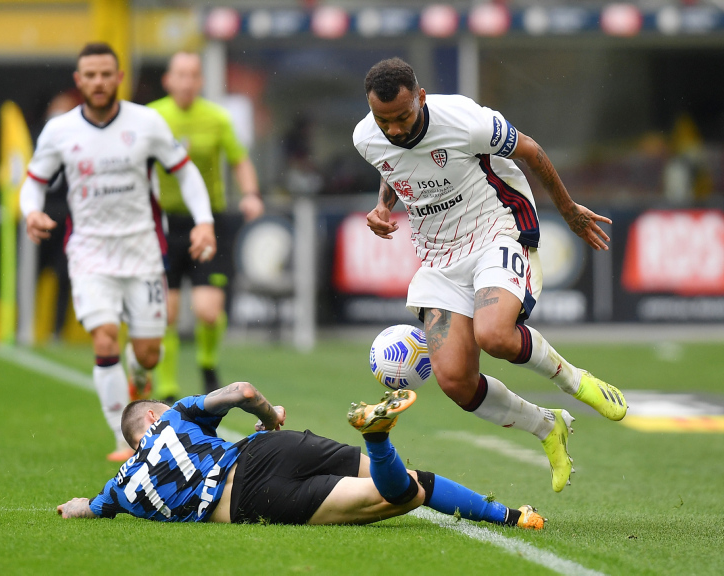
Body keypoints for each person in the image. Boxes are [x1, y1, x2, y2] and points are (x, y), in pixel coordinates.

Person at [354, 58, 628, 493]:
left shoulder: (465, 121)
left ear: (421, 98)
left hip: (495, 229)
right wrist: (384, 206)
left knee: (496, 335)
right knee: (456, 382)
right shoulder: (366, 136)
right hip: (438, 258)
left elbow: (533, 151)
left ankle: (578, 383)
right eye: (383, 120)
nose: (394, 130)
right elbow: (393, 168)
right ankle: (546, 426)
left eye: (403, 117)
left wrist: (569, 210)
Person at [20, 43, 216, 462]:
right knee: (105, 338)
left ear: (119, 77)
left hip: (143, 250)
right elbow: (34, 180)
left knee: (148, 353)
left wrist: (204, 221)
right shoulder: (60, 130)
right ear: (79, 81)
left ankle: (138, 367)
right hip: (89, 252)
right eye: (89, 75)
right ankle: (121, 438)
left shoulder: (146, 123)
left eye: (106, 74)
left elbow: (186, 172)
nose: (98, 82)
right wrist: (31, 211)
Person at [57, 386, 544, 530]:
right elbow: (243, 391)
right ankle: (512, 516)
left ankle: (378, 438)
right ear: (154, 415)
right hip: (269, 447)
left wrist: (77, 503)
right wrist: (269, 417)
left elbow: (82, 507)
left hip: (254, 497)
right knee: (412, 481)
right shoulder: (177, 414)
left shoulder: (118, 487)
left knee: (403, 494)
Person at [147, 52, 263, 401]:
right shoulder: (152, 116)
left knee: (208, 311)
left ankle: (208, 365)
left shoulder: (216, 118)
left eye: (193, 75)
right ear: (168, 80)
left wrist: (251, 194)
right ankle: (166, 386)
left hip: (207, 222)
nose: (186, 82)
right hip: (165, 224)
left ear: (200, 82)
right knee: (165, 310)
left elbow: (239, 159)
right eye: (179, 74)